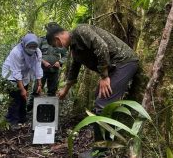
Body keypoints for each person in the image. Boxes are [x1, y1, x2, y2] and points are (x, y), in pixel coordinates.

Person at [45, 22, 139, 156]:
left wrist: (104, 76)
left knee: (102, 103)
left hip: (124, 61)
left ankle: (100, 151)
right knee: (99, 98)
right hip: (114, 67)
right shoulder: (74, 48)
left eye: (56, 45)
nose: (59, 47)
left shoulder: (80, 31)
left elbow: (102, 46)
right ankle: (107, 143)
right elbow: (74, 69)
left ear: (57, 39)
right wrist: (65, 89)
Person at [1, 33, 43, 125]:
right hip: (11, 74)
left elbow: (38, 68)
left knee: (23, 98)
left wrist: (39, 84)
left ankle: (22, 117)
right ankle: (12, 121)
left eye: (34, 46)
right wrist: (22, 89)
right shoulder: (16, 52)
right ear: (24, 44)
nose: (32, 48)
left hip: (24, 75)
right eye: (30, 46)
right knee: (15, 98)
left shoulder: (37, 52)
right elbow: (16, 72)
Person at [26, 37, 67, 111]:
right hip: (41, 69)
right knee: (36, 90)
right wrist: (43, 62)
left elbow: (65, 55)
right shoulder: (42, 40)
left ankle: (48, 110)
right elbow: (35, 53)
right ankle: (29, 109)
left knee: (52, 91)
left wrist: (60, 62)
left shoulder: (59, 41)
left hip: (54, 71)